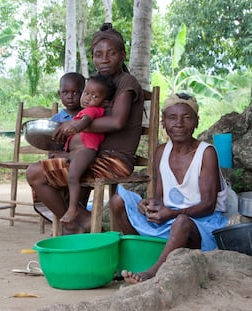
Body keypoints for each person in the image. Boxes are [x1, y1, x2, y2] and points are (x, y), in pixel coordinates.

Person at [26, 23, 144, 234]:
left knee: (36, 174)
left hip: (115, 160)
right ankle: (78, 219)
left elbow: (117, 122)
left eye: (111, 53)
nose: (104, 59)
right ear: (92, 58)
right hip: (95, 155)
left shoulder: (126, 82)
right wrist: (71, 130)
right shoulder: (99, 84)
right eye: (98, 54)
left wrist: (74, 125)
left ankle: (75, 222)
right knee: (38, 170)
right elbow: (86, 119)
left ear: (123, 55)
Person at [110, 93, 228, 284]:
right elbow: (159, 197)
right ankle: (144, 256)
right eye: (172, 117)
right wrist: (148, 205)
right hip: (169, 221)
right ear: (164, 122)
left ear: (196, 122)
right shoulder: (161, 152)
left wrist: (171, 214)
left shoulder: (206, 153)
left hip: (201, 225)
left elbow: (208, 205)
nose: (179, 123)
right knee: (117, 201)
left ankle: (153, 272)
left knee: (181, 222)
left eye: (187, 117)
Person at [60, 74, 115, 223]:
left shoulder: (93, 111)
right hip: (76, 151)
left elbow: (85, 122)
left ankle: (73, 208)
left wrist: (75, 127)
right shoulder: (82, 111)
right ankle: (75, 207)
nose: (87, 98)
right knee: (66, 176)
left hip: (85, 150)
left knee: (72, 177)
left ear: (104, 102)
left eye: (94, 96)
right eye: (86, 93)